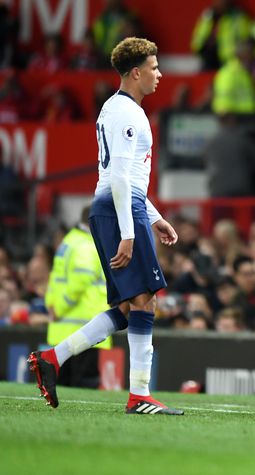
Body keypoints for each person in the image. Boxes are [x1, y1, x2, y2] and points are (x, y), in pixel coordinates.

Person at [27, 37, 183, 415]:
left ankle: (52, 357)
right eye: (154, 67)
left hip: (116, 207)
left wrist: (155, 215)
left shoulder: (117, 110)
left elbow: (124, 176)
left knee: (131, 306)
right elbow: (117, 177)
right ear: (136, 72)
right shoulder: (127, 113)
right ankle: (139, 396)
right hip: (118, 210)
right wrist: (131, 231)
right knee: (145, 301)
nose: (159, 74)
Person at [44, 206, 109, 388]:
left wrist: (51, 305)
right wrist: (60, 308)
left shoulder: (68, 241)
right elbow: (79, 282)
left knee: (64, 383)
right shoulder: (88, 245)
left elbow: (55, 278)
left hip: (65, 326)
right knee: (84, 383)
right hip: (85, 326)